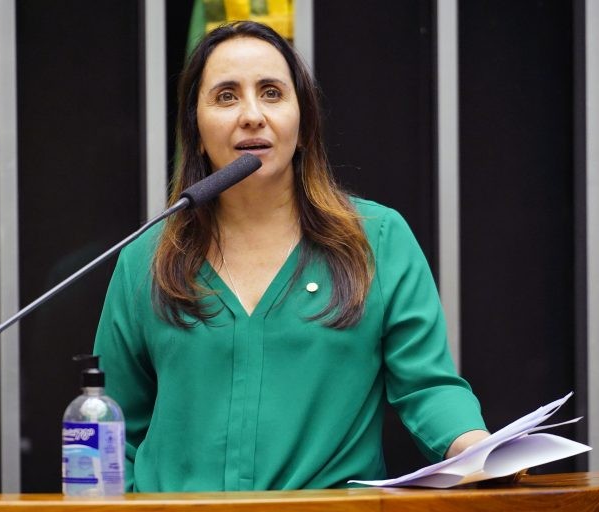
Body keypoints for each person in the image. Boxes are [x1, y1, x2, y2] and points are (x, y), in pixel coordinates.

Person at [93, 20, 489, 493]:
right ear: (195, 131)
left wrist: (480, 451)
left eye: (272, 92)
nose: (252, 115)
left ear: (302, 126)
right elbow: (108, 425)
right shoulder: (146, 258)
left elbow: (429, 387)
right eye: (226, 96)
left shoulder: (376, 240)